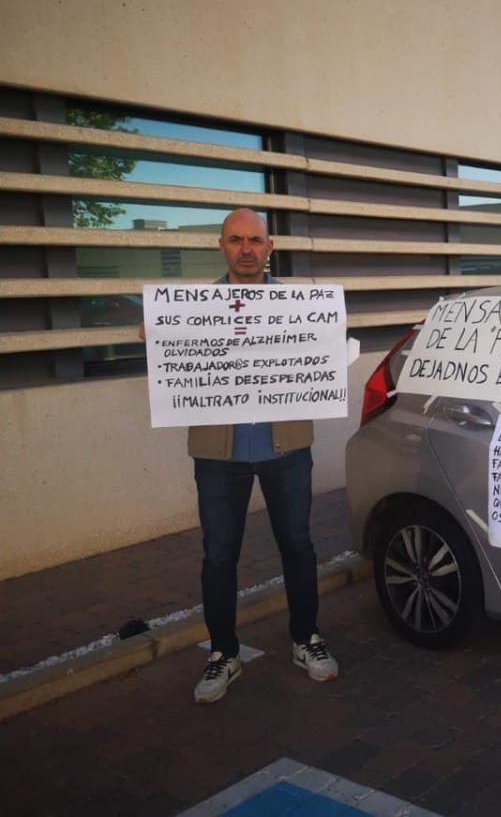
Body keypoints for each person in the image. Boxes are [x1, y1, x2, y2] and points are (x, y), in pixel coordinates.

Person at [185, 208, 339, 703]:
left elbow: (324, 355)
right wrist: (156, 338)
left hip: (285, 445)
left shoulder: (299, 306)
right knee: (219, 554)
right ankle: (223, 654)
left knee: (297, 543)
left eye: (256, 239)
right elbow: (172, 365)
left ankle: (306, 639)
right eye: (236, 239)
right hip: (218, 452)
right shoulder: (190, 308)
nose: (246, 249)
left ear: (269, 248)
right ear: (221, 246)